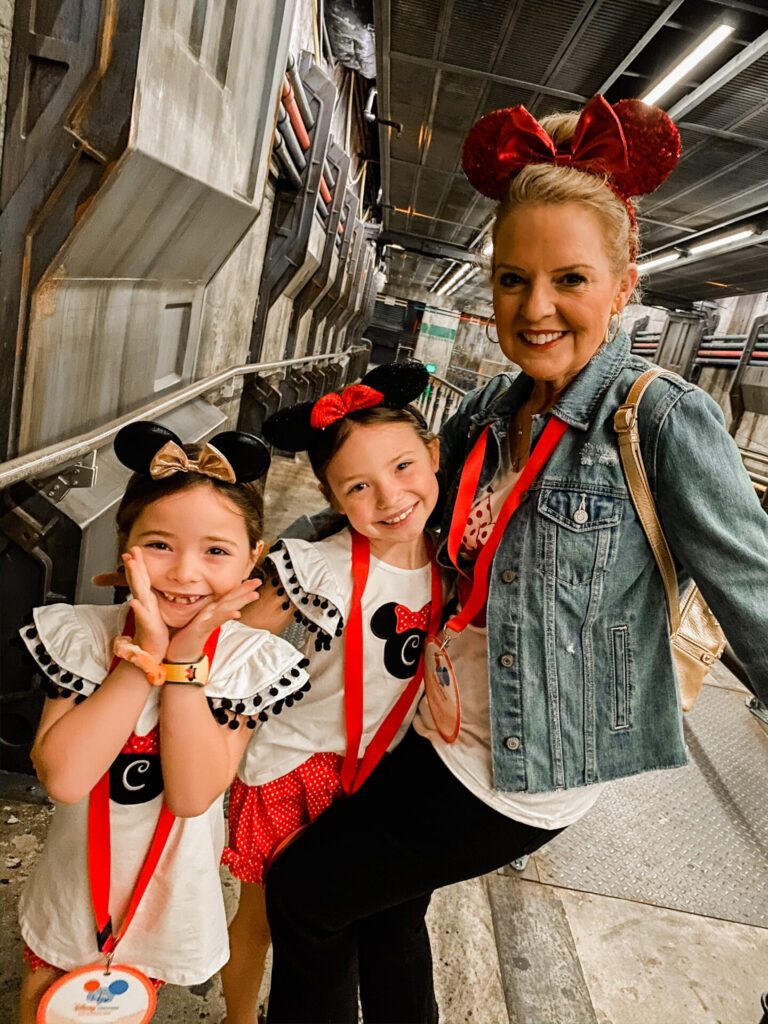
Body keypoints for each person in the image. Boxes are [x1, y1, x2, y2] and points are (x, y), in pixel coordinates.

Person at [260, 95, 768, 1024]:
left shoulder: (658, 418)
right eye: (510, 280)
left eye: (570, 279)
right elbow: (402, 515)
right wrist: (255, 569)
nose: (535, 310)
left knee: (304, 892)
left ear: (624, 285)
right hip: (437, 720)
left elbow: (760, 606)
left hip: (525, 768)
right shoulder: (491, 409)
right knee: (383, 909)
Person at [16, 421, 310, 1024]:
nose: (183, 573)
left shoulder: (246, 666)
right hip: (73, 891)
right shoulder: (81, 638)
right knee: (44, 994)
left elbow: (192, 793)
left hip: (167, 897)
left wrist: (182, 664)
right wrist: (138, 659)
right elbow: (65, 779)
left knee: (128, 1005)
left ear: (252, 558)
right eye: (159, 544)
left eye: (216, 551)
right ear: (123, 548)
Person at [212, 362, 443, 1024]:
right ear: (333, 497)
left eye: (403, 468)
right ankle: (237, 1019)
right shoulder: (313, 566)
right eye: (359, 486)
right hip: (295, 767)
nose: (389, 497)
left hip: (383, 779)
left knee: (365, 920)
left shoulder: (456, 560)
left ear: (433, 456)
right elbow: (230, 641)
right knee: (269, 917)